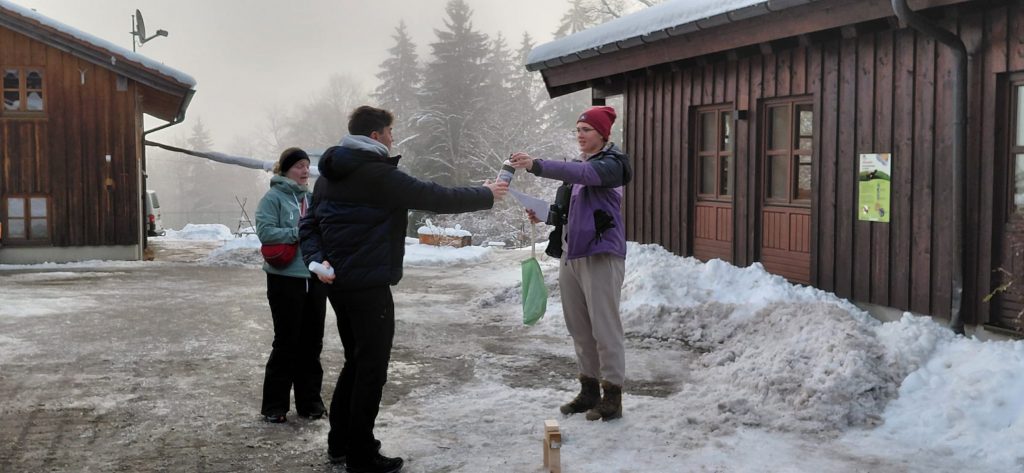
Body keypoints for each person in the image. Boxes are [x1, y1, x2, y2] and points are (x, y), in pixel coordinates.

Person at [299, 105, 508, 473]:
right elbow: (436, 197)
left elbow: (309, 226)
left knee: (356, 362)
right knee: (371, 369)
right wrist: (486, 193)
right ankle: (361, 454)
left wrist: (317, 260)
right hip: (369, 288)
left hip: (338, 285)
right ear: (376, 135)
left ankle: (341, 443)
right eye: (390, 132)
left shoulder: (328, 176)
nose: (393, 138)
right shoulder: (377, 174)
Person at [509, 105, 632, 422]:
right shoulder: (578, 171)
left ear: (602, 134)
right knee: (579, 329)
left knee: (605, 328)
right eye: (577, 129)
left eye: (586, 129)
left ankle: (612, 396)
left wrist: (536, 165)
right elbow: (569, 214)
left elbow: (585, 176)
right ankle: (589, 391)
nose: (580, 135)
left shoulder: (612, 165)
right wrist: (545, 214)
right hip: (571, 256)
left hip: (601, 255)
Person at [255, 147, 328, 423]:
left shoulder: (313, 198)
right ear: (285, 170)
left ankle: (310, 403)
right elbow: (265, 232)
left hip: (314, 277)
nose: (305, 170)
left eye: (307, 165)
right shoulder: (273, 198)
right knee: (286, 342)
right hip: (284, 279)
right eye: (299, 166)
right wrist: (299, 232)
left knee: (312, 343)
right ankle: (274, 406)